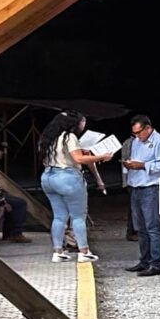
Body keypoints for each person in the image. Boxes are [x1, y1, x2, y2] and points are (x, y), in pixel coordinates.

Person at [38, 111, 112, 263]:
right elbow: (78, 158)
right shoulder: (69, 137)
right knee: (78, 216)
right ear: (74, 123)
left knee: (59, 217)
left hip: (48, 177)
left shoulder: (48, 137)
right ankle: (84, 251)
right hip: (67, 177)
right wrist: (102, 156)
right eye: (82, 122)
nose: (83, 125)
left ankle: (58, 252)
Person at [122, 115, 160, 277]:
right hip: (135, 186)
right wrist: (129, 165)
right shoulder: (136, 142)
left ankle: (155, 263)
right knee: (140, 227)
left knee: (152, 226)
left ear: (148, 128)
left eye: (139, 132)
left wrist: (143, 165)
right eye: (134, 133)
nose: (137, 136)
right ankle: (144, 260)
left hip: (151, 187)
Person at [120, 134, 137, 241]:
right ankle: (133, 231)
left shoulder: (128, 142)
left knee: (134, 207)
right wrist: (126, 181)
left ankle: (133, 231)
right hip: (133, 180)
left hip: (132, 180)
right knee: (134, 208)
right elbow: (125, 162)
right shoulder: (130, 143)